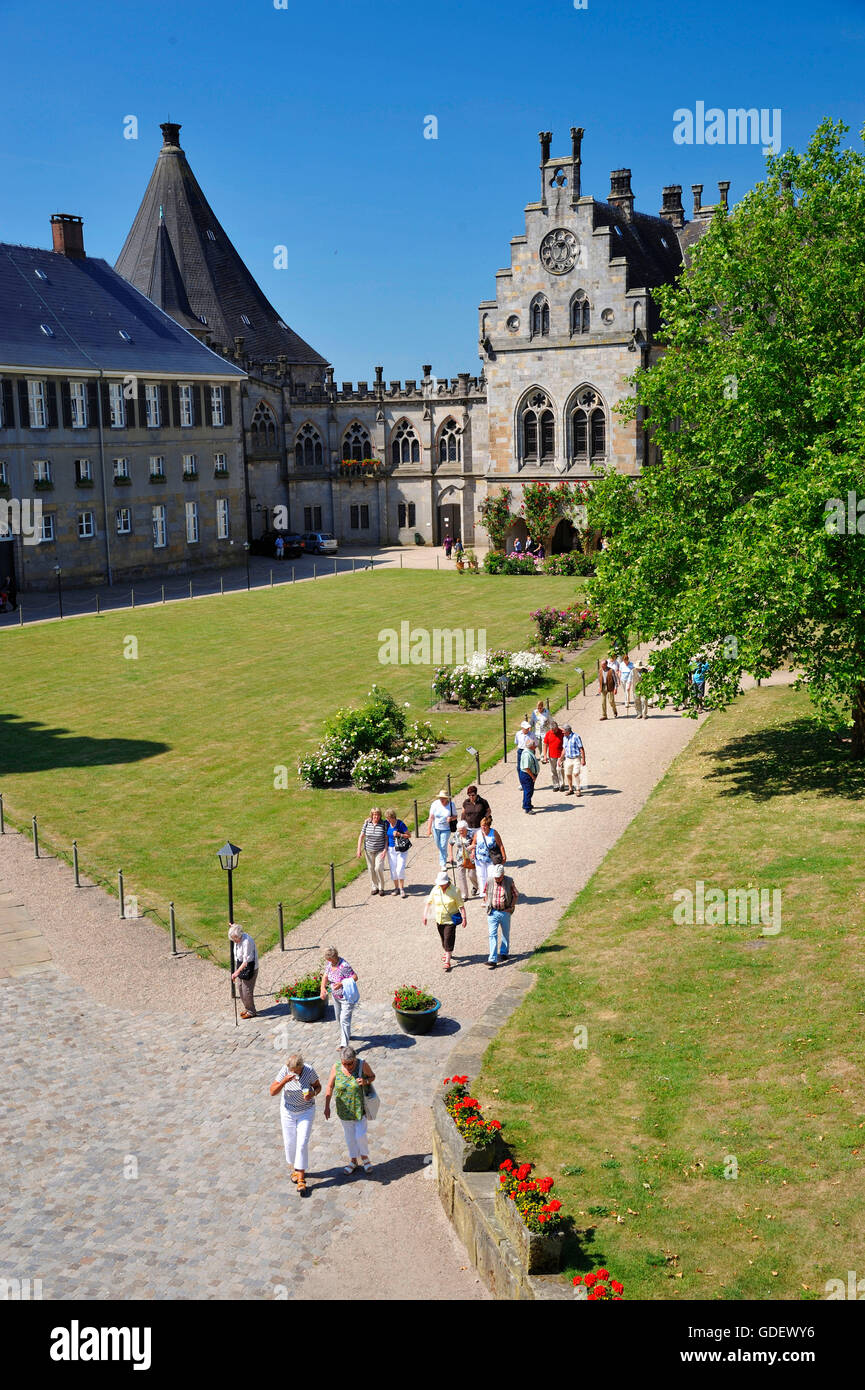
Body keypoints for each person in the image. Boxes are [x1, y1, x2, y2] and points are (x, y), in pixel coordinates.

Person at [270, 1051, 321, 1194]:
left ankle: (301, 1179)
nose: (295, 1074)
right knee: (290, 1143)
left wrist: (313, 1093)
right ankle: (295, 1169)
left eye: (297, 1071)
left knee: (302, 1143)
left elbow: (318, 1086)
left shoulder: (309, 1070)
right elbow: (272, 1091)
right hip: (288, 1111)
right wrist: (284, 1081)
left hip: (306, 1111)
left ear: (301, 1067)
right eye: (293, 1071)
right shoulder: (285, 1071)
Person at [324, 1046, 376, 1174]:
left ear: (355, 1059)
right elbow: (330, 1086)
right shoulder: (336, 1067)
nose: (347, 1066)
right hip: (344, 1110)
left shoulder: (362, 1064)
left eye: (350, 1063)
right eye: (344, 1064)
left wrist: (365, 1081)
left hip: (359, 1109)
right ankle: (353, 1160)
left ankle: (365, 1157)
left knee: (360, 1135)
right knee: (349, 1137)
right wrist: (326, 1106)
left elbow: (372, 1076)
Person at [423, 870, 466, 971]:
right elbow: (428, 903)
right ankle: (447, 951)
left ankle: (447, 960)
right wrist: (424, 916)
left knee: (448, 938)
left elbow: (461, 906)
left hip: (450, 920)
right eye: (440, 884)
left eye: (443, 884)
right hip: (439, 919)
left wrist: (464, 918)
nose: (441, 886)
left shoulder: (455, 891)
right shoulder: (435, 889)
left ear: (447, 882)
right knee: (443, 938)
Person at [320, 946, 359, 1047]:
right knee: (338, 1018)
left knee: (344, 1019)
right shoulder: (330, 964)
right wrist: (322, 989)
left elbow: (355, 977)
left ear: (333, 957)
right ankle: (347, 1034)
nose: (327, 961)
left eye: (328, 959)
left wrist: (341, 983)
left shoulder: (344, 966)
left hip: (346, 997)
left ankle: (344, 1045)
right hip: (336, 997)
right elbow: (325, 976)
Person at [485, 864, 519, 968]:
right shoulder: (490, 881)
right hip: (492, 912)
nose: (497, 879)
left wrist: (511, 907)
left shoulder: (509, 881)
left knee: (505, 933)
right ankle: (492, 959)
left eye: (499, 877)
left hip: (505, 912)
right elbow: (485, 893)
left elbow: (516, 894)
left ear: (503, 875)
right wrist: (487, 903)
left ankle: (504, 952)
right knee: (492, 935)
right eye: (496, 877)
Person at [228, 923, 258, 1019]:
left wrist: (236, 973)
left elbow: (246, 961)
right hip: (240, 966)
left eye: (235, 939)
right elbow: (236, 929)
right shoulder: (237, 936)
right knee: (240, 988)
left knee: (246, 990)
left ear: (239, 935)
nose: (234, 941)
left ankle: (251, 1011)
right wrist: (233, 926)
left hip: (249, 967)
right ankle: (247, 1008)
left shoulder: (247, 942)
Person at [357, 806, 388, 895]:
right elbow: (361, 836)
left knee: (378, 868)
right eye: (374, 815)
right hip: (369, 850)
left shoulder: (383, 824)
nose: (376, 817)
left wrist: (385, 849)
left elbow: (386, 838)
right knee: (371, 869)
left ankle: (381, 887)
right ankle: (375, 887)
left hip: (380, 850)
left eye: (378, 815)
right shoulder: (367, 823)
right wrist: (358, 850)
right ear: (371, 815)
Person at [471, 815, 506, 894]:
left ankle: (491, 893)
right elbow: (473, 843)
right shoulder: (478, 833)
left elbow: (500, 845)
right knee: (481, 876)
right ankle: (483, 894)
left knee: (490, 876)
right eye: (482, 825)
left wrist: (504, 856)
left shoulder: (494, 833)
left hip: (491, 858)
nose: (483, 827)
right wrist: (473, 851)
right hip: (479, 858)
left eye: (485, 826)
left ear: (489, 826)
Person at [426, 789, 458, 869]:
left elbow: (456, 816)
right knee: (438, 845)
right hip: (436, 828)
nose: (442, 799)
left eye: (443, 798)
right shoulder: (435, 804)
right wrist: (429, 829)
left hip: (446, 829)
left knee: (443, 845)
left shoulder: (451, 805)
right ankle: (444, 854)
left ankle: (442, 864)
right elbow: (431, 817)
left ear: (447, 798)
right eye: (440, 798)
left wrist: (451, 819)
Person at [384, 807, 410, 898]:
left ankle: (402, 888)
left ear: (393, 817)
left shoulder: (400, 824)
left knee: (400, 869)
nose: (387, 820)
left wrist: (400, 834)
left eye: (388, 818)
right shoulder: (387, 824)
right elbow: (377, 821)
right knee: (393, 870)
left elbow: (409, 835)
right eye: (386, 818)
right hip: (391, 849)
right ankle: (396, 888)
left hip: (401, 849)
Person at [449, 818, 478, 899]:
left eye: (462, 830)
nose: (460, 832)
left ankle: (476, 886)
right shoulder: (457, 834)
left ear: (466, 829)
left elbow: (476, 844)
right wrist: (451, 855)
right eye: (459, 830)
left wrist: (473, 852)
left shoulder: (472, 834)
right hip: (460, 858)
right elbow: (450, 844)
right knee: (461, 876)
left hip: (471, 858)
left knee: (472, 875)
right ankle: (464, 895)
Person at [561, 724, 586, 796]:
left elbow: (581, 748)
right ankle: (570, 789)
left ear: (567, 731)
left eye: (563, 731)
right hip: (568, 758)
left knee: (575, 773)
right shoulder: (564, 738)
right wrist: (560, 759)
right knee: (568, 774)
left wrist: (583, 759)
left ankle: (578, 789)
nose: (562, 732)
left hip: (576, 758)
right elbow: (564, 749)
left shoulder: (576, 737)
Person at [518, 735, 539, 813]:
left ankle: (526, 804)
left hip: (526, 775)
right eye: (534, 745)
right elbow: (527, 768)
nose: (536, 746)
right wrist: (533, 776)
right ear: (531, 746)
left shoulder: (528, 751)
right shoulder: (527, 754)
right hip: (527, 775)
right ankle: (527, 808)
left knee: (527, 791)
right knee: (528, 791)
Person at [544, 719, 565, 790]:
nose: (553, 731)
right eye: (552, 730)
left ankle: (561, 784)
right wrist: (544, 755)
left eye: (554, 730)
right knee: (553, 771)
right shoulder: (548, 733)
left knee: (559, 769)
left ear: (557, 728)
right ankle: (556, 785)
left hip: (560, 755)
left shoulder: (562, 733)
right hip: (551, 755)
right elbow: (545, 745)